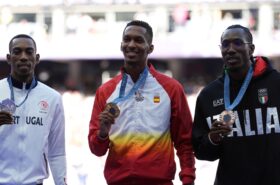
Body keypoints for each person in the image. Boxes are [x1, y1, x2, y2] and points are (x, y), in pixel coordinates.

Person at [88, 20, 195, 185]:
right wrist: (102, 133)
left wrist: (188, 179)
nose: (131, 44)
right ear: (121, 45)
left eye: (138, 40)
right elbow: (97, 150)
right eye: (127, 39)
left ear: (150, 48)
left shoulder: (171, 89)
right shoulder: (105, 91)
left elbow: (184, 141)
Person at [192, 24, 280, 185]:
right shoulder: (208, 95)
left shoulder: (276, 84)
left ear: (251, 49)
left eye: (238, 43)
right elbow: (202, 152)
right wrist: (213, 138)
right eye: (225, 44)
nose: (230, 49)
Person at [0, 34, 67, 185]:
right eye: (17, 52)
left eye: (29, 52)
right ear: (9, 58)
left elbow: (57, 152)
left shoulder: (52, 98)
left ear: (36, 58)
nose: (23, 57)